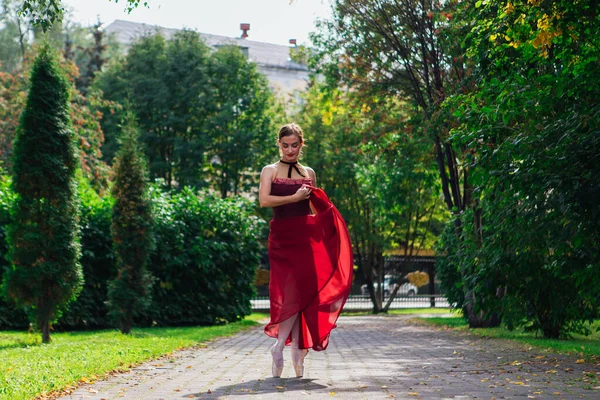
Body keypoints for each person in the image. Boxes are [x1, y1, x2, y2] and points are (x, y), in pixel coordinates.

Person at [259, 123, 353, 378]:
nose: (290, 150)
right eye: (285, 145)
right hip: (281, 237)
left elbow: (314, 207)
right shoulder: (269, 170)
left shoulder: (308, 171)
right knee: (289, 293)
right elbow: (264, 201)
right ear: (279, 144)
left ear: (301, 144)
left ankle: (298, 350)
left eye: (295, 145)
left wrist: (326, 232)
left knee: (307, 293)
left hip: (305, 237)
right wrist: (294, 198)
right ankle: (280, 347)